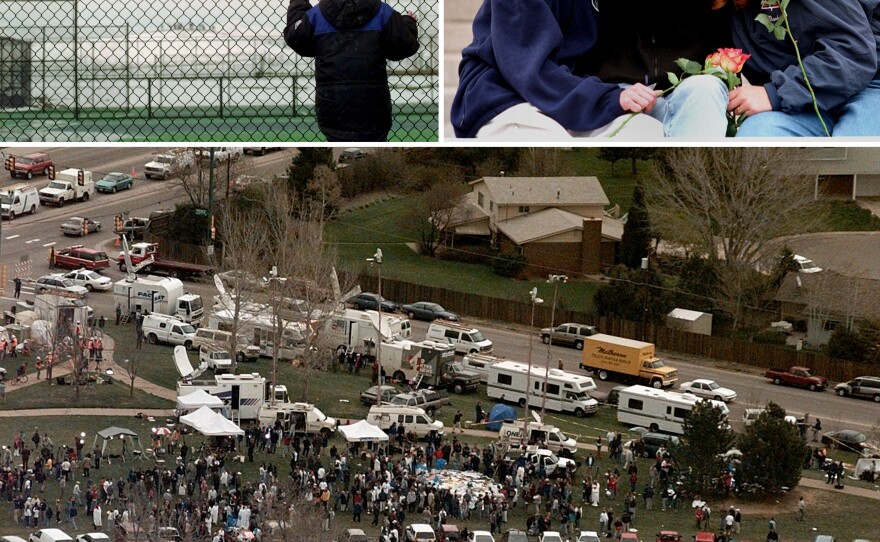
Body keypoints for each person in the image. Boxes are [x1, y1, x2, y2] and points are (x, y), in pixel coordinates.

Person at [451, 0, 731, 140]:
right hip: (507, 96)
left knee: (646, 133)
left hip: (566, 98)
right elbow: (527, 68)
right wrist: (605, 98)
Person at [728, 0, 877, 136]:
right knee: (758, 133)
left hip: (870, 83)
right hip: (801, 101)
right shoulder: (722, 10)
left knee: (854, 143)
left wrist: (777, 93)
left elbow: (854, 52)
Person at [283, 0, 419, 141]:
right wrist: (408, 23)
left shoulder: (317, 15)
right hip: (373, 111)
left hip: (332, 109)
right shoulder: (383, 12)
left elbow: (296, 37)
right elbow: (403, 46)